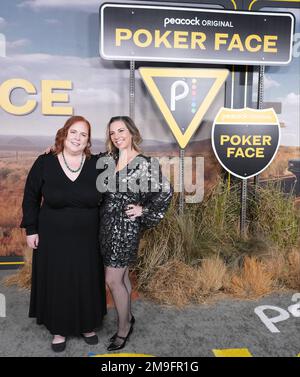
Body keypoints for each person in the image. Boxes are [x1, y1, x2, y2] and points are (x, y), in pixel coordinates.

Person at [20, 115, 107, 352]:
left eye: (84, 134)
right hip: (52, 236)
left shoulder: (98, 164)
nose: (78, 138)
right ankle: (58, 329)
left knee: (86, 277)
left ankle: (87, 325)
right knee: (58, 279)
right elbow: (30, 197)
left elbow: (125, 163)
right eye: (74, 132)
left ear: (88, 140)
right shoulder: (45, 162)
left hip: (88, 236)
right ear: (64, 133)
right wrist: (31, 229)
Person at [97, 116, 173, 351]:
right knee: (122, 277)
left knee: (112, 279)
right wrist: (54, 150)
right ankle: (128, 317)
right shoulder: (107, 160)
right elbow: (79, 160)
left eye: (121, 130)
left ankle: (123, 329)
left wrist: (144, 209)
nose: (117, 136)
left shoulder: (144, 163)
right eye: (112, 133)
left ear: (132, 132)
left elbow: (165, 192)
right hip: (105, 225)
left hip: (125, 228)